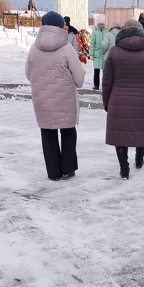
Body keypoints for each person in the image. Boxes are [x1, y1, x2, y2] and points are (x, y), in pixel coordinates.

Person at [25, 11, 86, 181]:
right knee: (68, 132)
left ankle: (53, 173)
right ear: (60, 26)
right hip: (64, 99)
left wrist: (41, 82)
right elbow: (79, 77)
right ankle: (68, 169)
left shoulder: (34, 47)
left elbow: (28, 74)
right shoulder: (67, 48)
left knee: (48, 134)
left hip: (42, 99)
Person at [102, 18, 144, 179]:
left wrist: (106, 102)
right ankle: (139, 159)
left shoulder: (114, 51)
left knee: (120, 134)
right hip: (142, 99)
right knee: (140, 130)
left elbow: (107, 81)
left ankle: (124, 167)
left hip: (118, 100)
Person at [89, 14, 108, 89]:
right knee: (96, 70)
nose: (100, 25)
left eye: (102, 24)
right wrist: (91, 54)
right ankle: (96, 85)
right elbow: (92, 43)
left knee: (105, 71)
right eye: (99, 24)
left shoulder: (107, 30)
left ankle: (105, 85)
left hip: (105, 53)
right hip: (97, 53)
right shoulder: (95, 31)